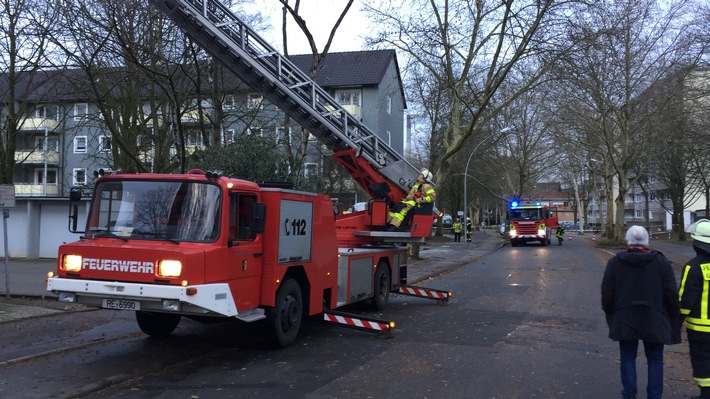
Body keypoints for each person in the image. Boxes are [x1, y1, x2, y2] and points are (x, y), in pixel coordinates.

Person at [601, 225, 680, 399]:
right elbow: (670, 292)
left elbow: (607, 293)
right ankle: (654, 396)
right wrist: (674, 315)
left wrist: (610, 313)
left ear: (628, 240)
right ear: (647, 240)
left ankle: (629, 394)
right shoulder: (660, 261)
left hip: (625, 317)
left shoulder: (616, 262)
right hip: (654, 317)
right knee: (655, 359)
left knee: (628, 358)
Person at [679, 219, 710, 399]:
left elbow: (684, 301)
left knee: (703, 363)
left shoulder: (693, 267)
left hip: (701, 330)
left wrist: (676, 323)